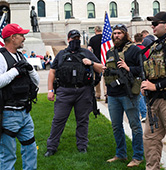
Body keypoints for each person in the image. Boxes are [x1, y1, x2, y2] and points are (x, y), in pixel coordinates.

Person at [44, 29, 105, 157]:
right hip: (64, 91)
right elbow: (52, 72)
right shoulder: (61, 54)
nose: (75, 40)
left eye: (77, 38)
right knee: (58, 120)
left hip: (83, 91)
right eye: (73, 38)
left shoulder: (86, 53)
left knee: (82, 120)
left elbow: (101, 68)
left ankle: (82, 146)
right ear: (68, 40)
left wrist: (91, 63)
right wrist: (50, 90)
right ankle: (51, 147)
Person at [0, 23, 39, 169]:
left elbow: (35, 81)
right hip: (8, 114)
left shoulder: (20, 55)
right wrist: (15, 71)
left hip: (25, 112)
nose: (24, 38)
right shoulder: (1, 57)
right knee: (8, 156)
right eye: (21, 35)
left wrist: (30, 69)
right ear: (12, 37)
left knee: (30, 150)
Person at [104, 24, 144, 167]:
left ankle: (138, 156)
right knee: (116, 126)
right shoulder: (110, 51)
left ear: (125, 34)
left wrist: (129, 68)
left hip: (129, 94)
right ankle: (120, 154)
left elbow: (143, 69)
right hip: (113, 95)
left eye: (119, 33)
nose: (116, 35)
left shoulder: (133, 50)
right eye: (114, 33)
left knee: (135, 126)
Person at [141, 11, 166, 170]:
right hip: (154, 101)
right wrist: (146, 84)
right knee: (150, 139)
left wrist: (156, 86)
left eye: (156, 23)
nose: (152, 26)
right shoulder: (156, 45)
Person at [88, 26, 107, 102]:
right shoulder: (105, 38)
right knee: (105, 78)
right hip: (105, 60)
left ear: (95, 30)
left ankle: (98, 94)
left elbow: (89, 49)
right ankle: (106, 93)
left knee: (97, 78)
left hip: (96, 61)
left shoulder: (92, 39)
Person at [134, 33, 149, 123]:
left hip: (138, 73)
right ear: (142, 40)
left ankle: (143, 114)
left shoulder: (134, 50)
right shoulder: (147, 49)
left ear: (135, 40)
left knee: (139, 94)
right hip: (147, 71)